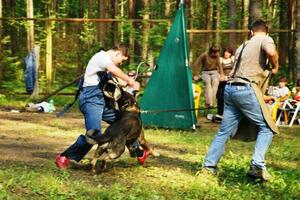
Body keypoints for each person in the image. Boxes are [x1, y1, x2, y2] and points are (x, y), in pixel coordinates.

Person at [202, 19, 279, 181]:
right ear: (265, 31)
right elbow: (271, 53)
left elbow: (244, 72)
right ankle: (257, 165)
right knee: (267, 127)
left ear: (251, 32)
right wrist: (275, 66)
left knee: (224, 131)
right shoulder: (265, 39)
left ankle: (209, 166)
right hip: (245, 89)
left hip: (230, 89)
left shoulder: (243, 45)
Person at [55, 44, 150, 169]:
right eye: (121, 60)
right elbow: (114, 70)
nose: (120, 64)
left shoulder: (106, 64)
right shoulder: (101, 58)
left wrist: (125, 85)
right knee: (95, 134)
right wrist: (129, 80)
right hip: (90, 102)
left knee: (126, 122)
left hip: (101, 103)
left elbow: (114, 79)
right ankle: (64, 157)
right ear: (117, 54)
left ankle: (138, 151)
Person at [215, 47, 235, 121]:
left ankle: (230, 115)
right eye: (226, 52)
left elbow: (236, 68)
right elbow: (217, 70)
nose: (226, 53)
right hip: (222, 81)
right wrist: (221, 76)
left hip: (231, 81)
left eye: (228, 52)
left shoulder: (233, 59)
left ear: (230, 54)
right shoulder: (220, 60)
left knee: (230, 98)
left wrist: (231, 76)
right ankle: (219, 114)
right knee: (220, 97)